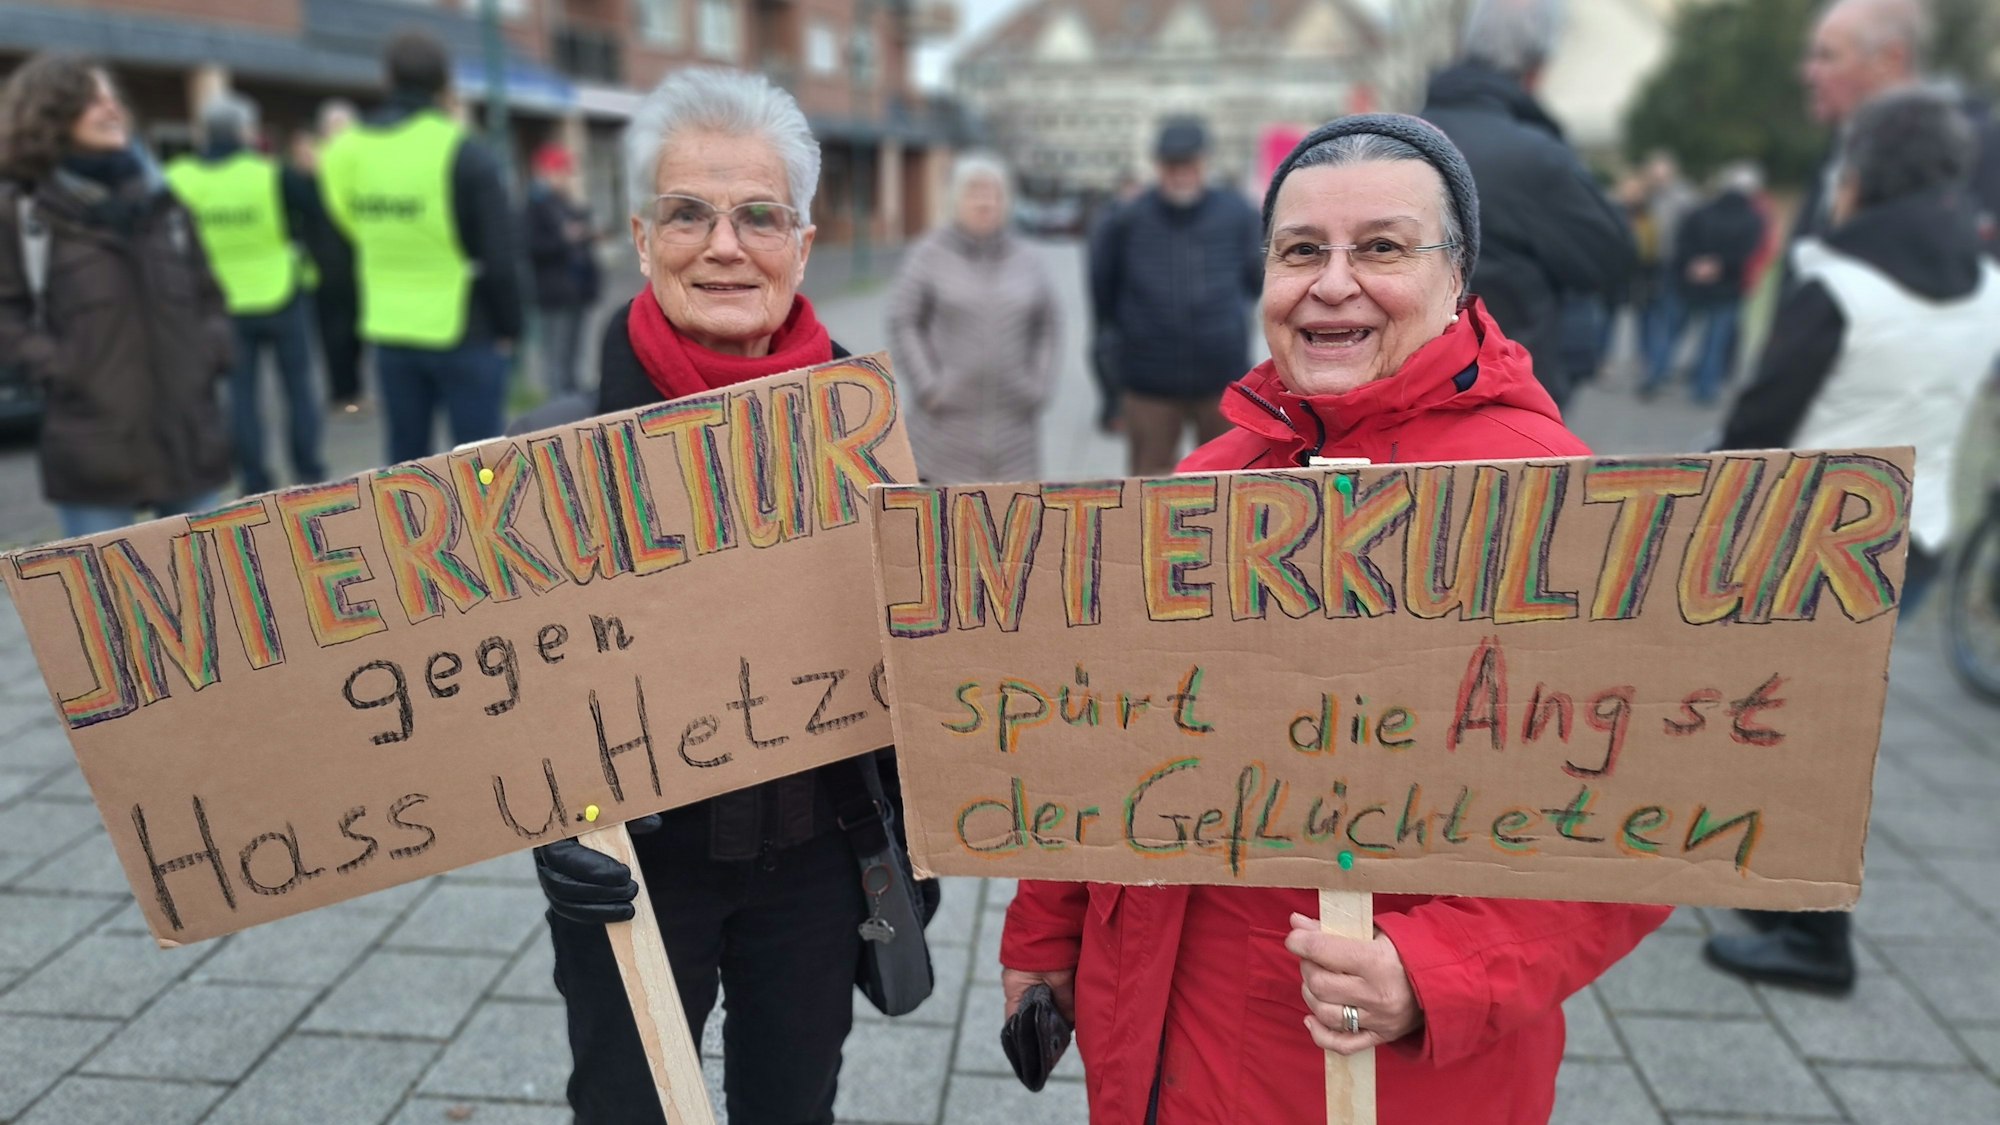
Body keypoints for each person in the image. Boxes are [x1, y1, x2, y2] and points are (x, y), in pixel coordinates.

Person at [999, 113, 1671, 1124]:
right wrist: (1043, 934)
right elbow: (1098, 735)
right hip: (1162, 1037)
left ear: (1458, 278)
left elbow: (1644, 826)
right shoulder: (1201, 484)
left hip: (1382, 1072)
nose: (1331, 282)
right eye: (1300, 250)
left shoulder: (1550, 506)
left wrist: (1434, 969)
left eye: (1383, 249)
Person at [526, 68, 925, 1125]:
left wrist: (917, 829)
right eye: (687, 214)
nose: (722, 245)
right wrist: (547, 827)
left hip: (817, 861)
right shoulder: (557, 448)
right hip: (639, 866)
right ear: (640, 235)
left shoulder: (865, 429)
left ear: (801, 241)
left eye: (758, 215)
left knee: (793, 1106)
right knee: (626, 1107)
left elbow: (905, 642)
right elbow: (503, 683)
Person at [1706, 89, 2000, 993]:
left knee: (1785, 733)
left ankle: (1815, 937)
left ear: (1860, 171)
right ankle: (1778, 893)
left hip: (1807, 538)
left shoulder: (1836, 276)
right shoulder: (1988, 284)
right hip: (1917, 532)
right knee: (1828, 727)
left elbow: (1765, 412)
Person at [0, 55, 233, 537]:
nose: (112, 108)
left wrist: (213, 351)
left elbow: (209, 296)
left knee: (211, 604)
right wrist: (63, 368)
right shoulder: (22, 213)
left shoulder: (164, 203)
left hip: (190, 440)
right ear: (51, 113)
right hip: (93, 451)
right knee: (110, 609)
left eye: (114, 96)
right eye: (92, 98)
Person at [319, 32, 523, 464]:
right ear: (444, 84)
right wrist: (511, 328)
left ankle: (412, 533)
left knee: (406, 464)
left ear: (387, 79)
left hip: (389, 327)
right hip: (466, 325)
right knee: (480, 464)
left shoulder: (342, 151)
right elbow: (501, 256)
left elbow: (347, 228)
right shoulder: (465, 150)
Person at [1419, 0, 1634, 407]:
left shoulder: (1397, 140)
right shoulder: (1537, 156)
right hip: (1505, 390)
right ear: (1537, 67)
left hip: (1403, 387)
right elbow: (1610, 257)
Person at [165, 95, 325, 495]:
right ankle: (308, 471)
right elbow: (317, 214)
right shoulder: (271, 173)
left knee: (240, 398)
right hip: (281, 294)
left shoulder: (180, 177)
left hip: (219, 303)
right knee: (298, 388)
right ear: (244, 131)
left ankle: (254, 480)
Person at [1089, 115, 1262, 474]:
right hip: (1148, 384)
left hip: (1222, 380)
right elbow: (1103, 299)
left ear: (1205, 162)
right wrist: (1110, 390)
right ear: (1158, 165)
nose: (1181, 173)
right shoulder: (1126, 220)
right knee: (1147, 496)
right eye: (1172, 164)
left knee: (1226, 488)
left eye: (1190, 163)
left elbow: (1259, 281)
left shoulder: (1237, 214)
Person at [887, 152, 1060, 483]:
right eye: (974, 192)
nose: (985, 202)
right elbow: (903, 320)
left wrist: (1038, 384)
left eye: (993, 192)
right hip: (944, 432)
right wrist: (929, 385)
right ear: (955, 199)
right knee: (945, 530)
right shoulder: (928, 255)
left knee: (1013, 528)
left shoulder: (1028, 259)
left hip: (1015, 437)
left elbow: (1049, 325)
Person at [1641, 162, 1767, 405]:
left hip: (1689, 283)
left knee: (1670, 333)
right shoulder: (1752, 219)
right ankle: (1705, 388)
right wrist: (1719, 266)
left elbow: (1682, 241)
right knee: (1714, 341)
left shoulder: (1700, 211)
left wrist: (1695, 264)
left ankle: (1655, 377)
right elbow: (1747, 252)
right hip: (1726, 288)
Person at [295, 99, 363, 413]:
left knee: (353, 331)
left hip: (352, 261)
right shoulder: (313, 169)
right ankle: (343, 395)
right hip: (326, 265)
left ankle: (354, 392)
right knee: (335, 333)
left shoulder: (353, 164)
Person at [525, 141, 600, 397]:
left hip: (576, 289)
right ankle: (558, 407)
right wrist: (564, 239)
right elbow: (530, 247)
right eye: (559, 171)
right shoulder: (534, 205)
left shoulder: (566, 202)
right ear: (544, 172)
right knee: (556, 354)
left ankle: (572, 398)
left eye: (566, 172)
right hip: (553, 292)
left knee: (573, 351)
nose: (564, 177)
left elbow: (581, 234)